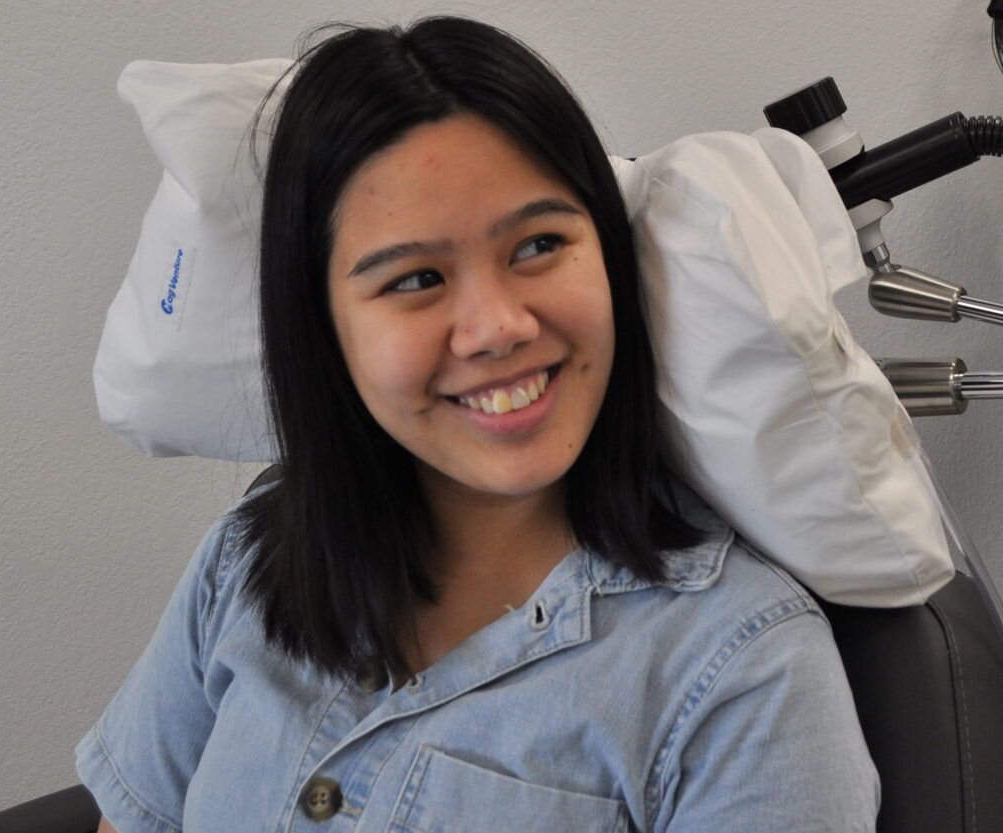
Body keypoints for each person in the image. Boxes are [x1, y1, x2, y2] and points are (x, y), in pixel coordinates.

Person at [76, 15, 880, 832]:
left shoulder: (743, 673)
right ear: (325, 329)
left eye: (537, 245)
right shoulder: (247, 562)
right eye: (416, 277)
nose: (498, 326)